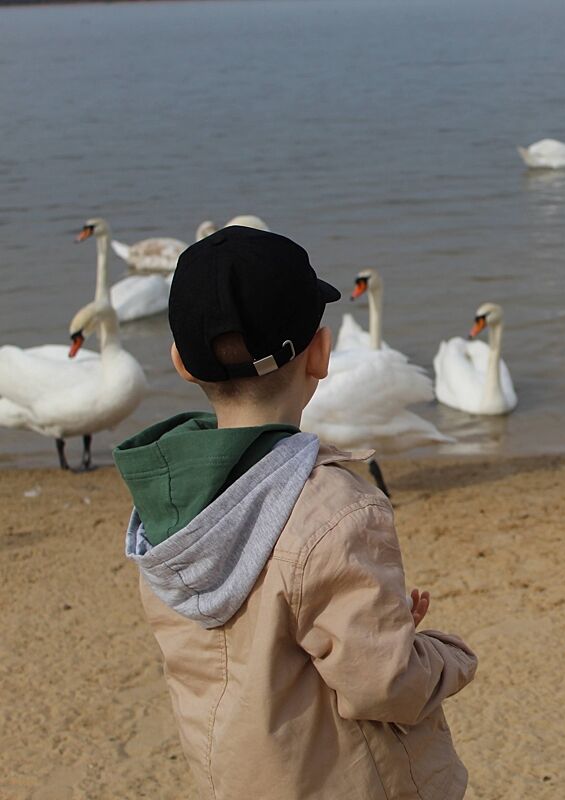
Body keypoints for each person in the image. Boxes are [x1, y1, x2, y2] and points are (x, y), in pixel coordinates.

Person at [115, 227, 477, 799]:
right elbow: (384, 686)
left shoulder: (162, 506)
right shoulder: (336, 511)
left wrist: (375, 624)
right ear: (322, 354)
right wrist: (442, 654)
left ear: (181, 363)